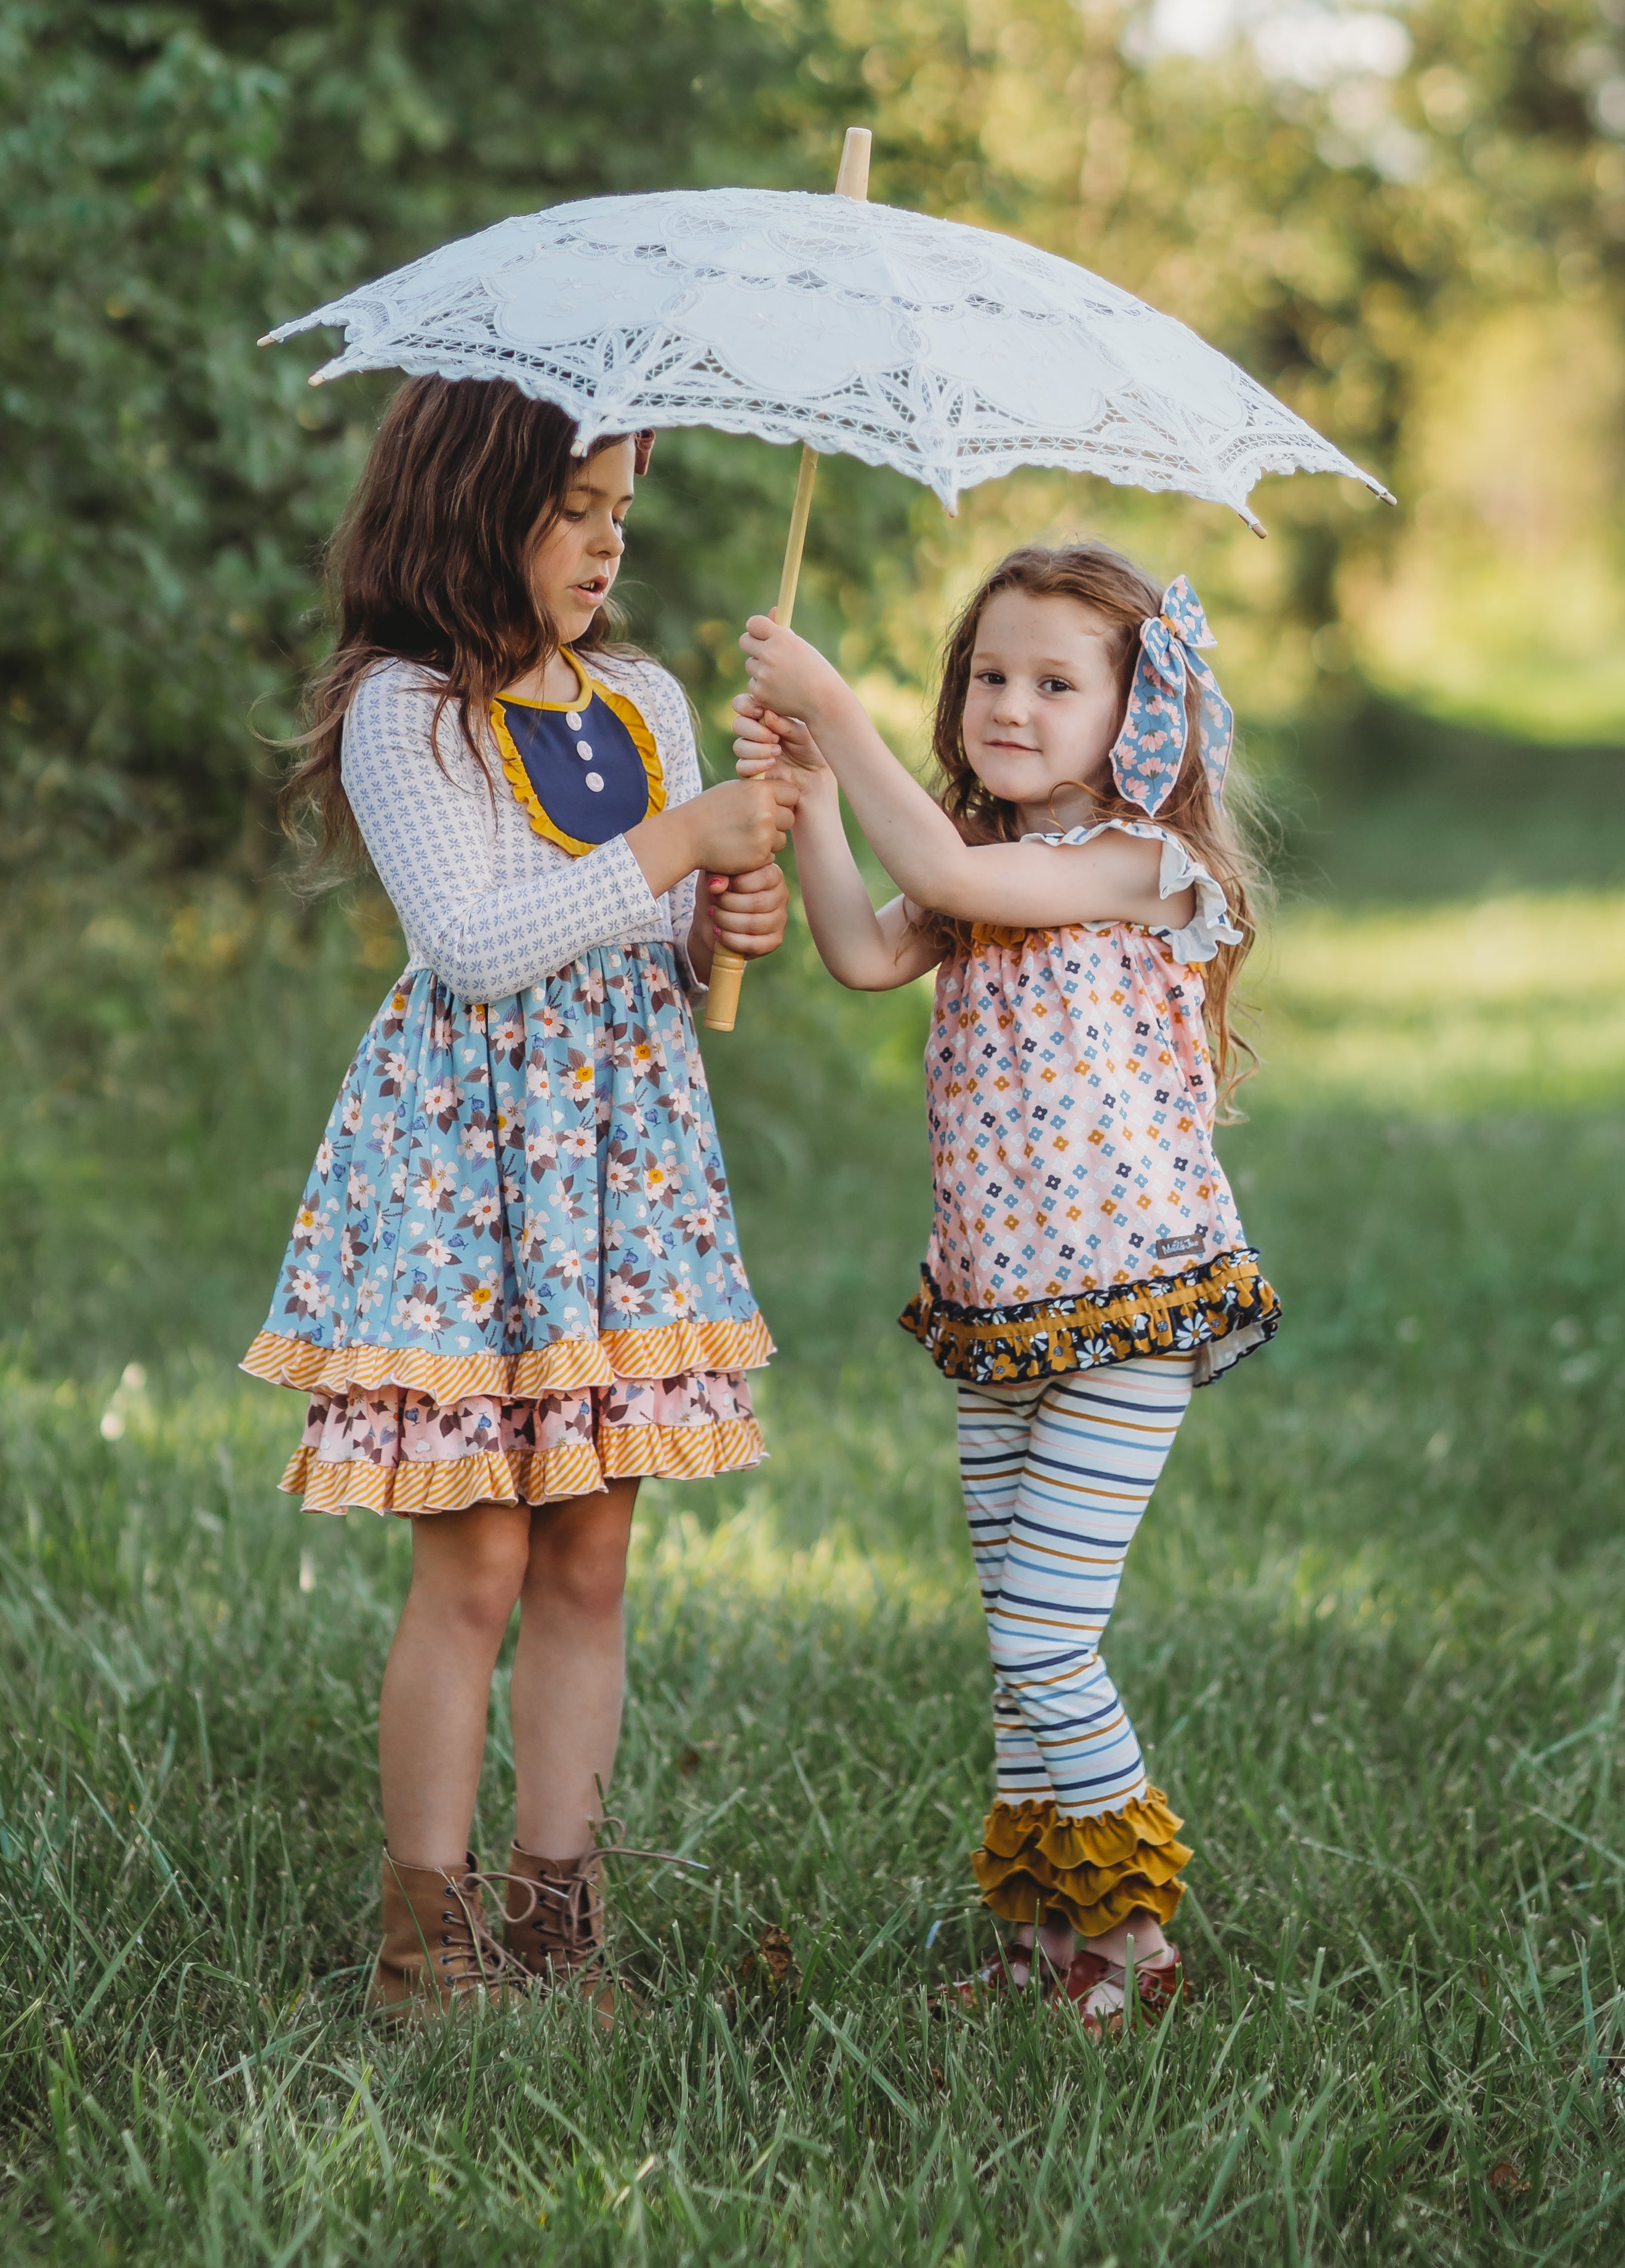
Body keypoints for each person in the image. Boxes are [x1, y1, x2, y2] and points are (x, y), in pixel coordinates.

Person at [243, 375, 792, 2019]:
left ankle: (559, 1922)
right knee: (473, 1559)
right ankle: (426, 1946)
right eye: (574, 509)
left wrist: (719, 920)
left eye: (622, 509)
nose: (606, 542)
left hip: (615, 1184)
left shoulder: (644, 695)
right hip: (474, 1181)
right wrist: (673, 841)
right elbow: (471, 945)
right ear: (478, 506)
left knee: (588, 1557)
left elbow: (659, 949)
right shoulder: (406, 710)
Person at [735, 538, 1278, 2034]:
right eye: (988, 674)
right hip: (996, 1313)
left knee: (1050, 1630)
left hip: (1127, 1311)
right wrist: (817, 798)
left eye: (1056, 681)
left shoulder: (1140, 865)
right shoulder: (980, 863)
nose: (1012, 705)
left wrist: (835, 708)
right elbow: (858, 944)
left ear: (1135, 712)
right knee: (1012, 1648)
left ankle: (1136, 1935)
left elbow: (953, 872)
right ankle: (1050, 1940)